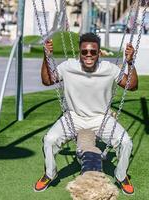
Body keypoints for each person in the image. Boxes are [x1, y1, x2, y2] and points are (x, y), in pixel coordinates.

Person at [34, 33, 138, 195]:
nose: (88, 55)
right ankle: (49, 174)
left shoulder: (109, 69)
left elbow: (131, 85)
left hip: (101, 119)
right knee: (49, 140)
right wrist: (46, 56)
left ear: (99, 53)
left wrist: (130, 61)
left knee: (126, 142)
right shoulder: (68, 66)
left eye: (93, 52)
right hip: (73, 117)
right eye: (84, 52)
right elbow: (47, 80)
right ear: (79, 52)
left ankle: (121, 176)